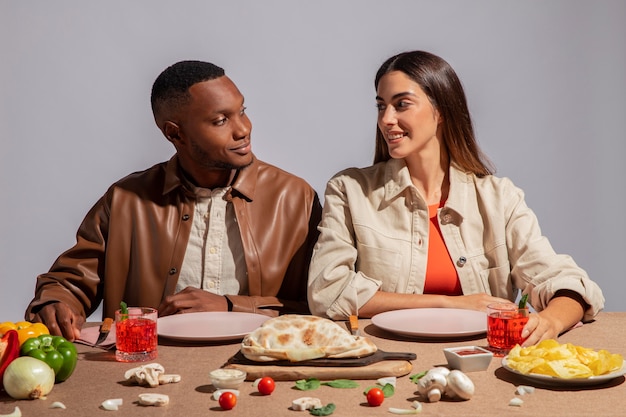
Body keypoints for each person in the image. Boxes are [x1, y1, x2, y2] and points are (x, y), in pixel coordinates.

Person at [308, 50, 604, 346]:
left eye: (402, 105)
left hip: (482, 363)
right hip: (389, 358)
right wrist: (451, 303)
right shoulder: (350, 190)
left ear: (441, 111)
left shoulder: (499, 199)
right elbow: (328, 291)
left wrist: (550, 321)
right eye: (381, 106)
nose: (386, 119)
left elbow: (566, 281)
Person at [25, 60, 322, 341]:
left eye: (242, 111)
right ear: (175, 134)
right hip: (145, 372)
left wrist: (230, 306)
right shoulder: (127, 201)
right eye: (221, 120)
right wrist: (55, 302)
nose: (243, 129)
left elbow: (320, 305)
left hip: (257, 368)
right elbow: (70, 282)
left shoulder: (295, 198)